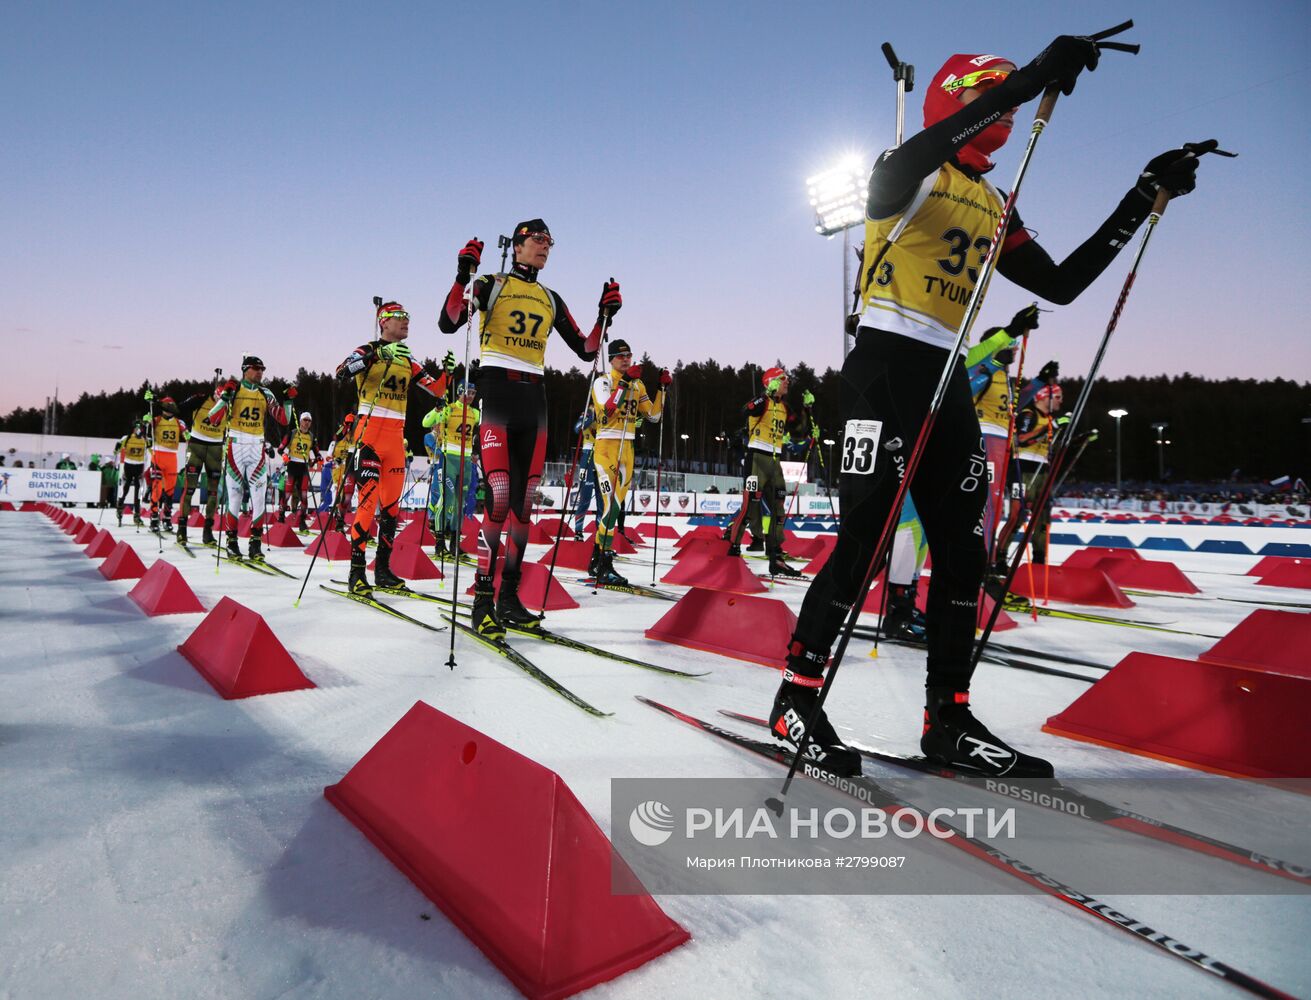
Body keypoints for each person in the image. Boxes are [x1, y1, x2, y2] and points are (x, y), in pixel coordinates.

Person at [771, 38, 1212, 779]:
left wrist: (1143, 195)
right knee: (866, 537)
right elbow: (918, 152)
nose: (1000, 109)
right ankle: (796, 698)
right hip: (883, 369)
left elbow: (1061, 283)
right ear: (959, 99)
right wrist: (1032, 79)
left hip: (943, 379)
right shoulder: (904, 173)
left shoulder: (994, 201)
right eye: (988, 95)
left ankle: (946, 716)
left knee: (963, 550)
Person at [438, 221, 618, 635]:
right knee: (498, 497)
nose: (544, 248)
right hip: (497, 392)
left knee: (524, 505)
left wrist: (603, 314)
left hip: (534, 400)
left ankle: (510, 597)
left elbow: (587, 349)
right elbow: (449, 321)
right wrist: (463, 274)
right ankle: (482, 600)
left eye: (549, 243)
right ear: (517, 245)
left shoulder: (550, 297)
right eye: (537, 241)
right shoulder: (492, 284)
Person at [336, 303, 454, 594]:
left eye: (408, 318)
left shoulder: (407, 358)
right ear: (383, 321)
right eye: (400, 318)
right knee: (366, 502)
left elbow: (436, 390)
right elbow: (341, 372)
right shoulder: (368, 349)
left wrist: (448, 373)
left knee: (390, 508)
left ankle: (384, 569)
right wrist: (377, 354)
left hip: (395, 439)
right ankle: (356, 572)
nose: (406, 323)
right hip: (369, 435)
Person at [588, 339, 669, 585]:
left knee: (616, 508)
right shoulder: (603, 381)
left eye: (629, 355)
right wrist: (624, 382)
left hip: (628, 450)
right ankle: (604, 563)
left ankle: (595, 559)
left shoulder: (638, 384)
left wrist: (662, 390)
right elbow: (608, 411)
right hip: (605, 448)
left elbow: (654, 416)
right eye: (621, 356)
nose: (626, 359)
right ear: (612, 359)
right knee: (610, 507)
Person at [726, 366, 810, 577]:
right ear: (771, 382)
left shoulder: (785, 407)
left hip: (775, 461)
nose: (787, 381)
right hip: (757, 458)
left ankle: (776, 557)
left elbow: (798, 430)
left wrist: (807, 410)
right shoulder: (763, 402)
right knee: (750, 506)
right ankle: (733, 551)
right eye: (783, 379)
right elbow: (745, 410)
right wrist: (765, 395)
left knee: (778, 509)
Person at [208, 356, 291, 561]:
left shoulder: (265, 392)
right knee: (235, 496)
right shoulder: (234, 390)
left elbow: (283, 419)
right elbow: (213, 417)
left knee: (259, 497)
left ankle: (255, 544)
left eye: (262, 369)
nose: (260, 372)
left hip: (256, 446)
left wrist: (289, 401)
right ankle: (231, 542)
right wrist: (225, 397)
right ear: (245, 370)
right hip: (236, 445)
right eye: (256, 369)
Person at [421, 379, 481, 557]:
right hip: (448, 460)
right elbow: (426, 422)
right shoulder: (449, 409)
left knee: (459, 504)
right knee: (445, 501)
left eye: (473, 394)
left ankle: (455, 544)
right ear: (460, 391)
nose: (470, 397)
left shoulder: (475, 413)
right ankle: (440, 545)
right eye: (467, 393)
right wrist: (438, 409)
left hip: (466, 462)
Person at [170, 377, 228, 546]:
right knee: (190, 489)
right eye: (218, 397)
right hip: (196, 445)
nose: (220, 402)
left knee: (213, 492)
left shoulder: (229, 405)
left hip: (215, 448)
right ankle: (182, 529)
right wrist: (160, 404)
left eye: (223, 399)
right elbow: (179, 408)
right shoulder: (201, 399)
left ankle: (208, 531)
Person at [147, 396, 185, 532]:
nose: (169, 411)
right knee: (156, 488)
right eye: (167, 407)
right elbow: (148, 438)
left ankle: (167, 517)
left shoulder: (179, 422)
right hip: (158, 455)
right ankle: (154, 517)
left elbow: (187, 436)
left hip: (172, 457)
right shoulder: (156, 420)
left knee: (170, 490)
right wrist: (147, 423)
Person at [280, 412, 320, 530]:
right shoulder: (292, 433)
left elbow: (317, 453)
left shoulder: (312, 437)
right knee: (287, 494)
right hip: (292, 466)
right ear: (301, 421)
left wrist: (318, 459)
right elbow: (280, 449)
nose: (307, 423)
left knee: (303, 495)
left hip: (303, 467)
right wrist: (284, 456)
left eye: (309, 421)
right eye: (305, 420)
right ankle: (281, 517)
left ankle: (302, 521)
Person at [116, 419, 150, 526]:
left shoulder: (145, 439)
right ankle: (120, 506)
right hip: (128, 466)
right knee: (126, 488)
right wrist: (117, 447)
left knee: (138, 491)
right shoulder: (126, 439)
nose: (138, 430)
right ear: (133, 429)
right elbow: (116, 450)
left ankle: (137, 515)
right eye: (136, 428)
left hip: (139, 466)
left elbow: (152, 449)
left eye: (140, 428)